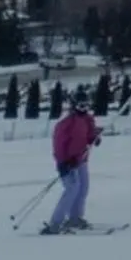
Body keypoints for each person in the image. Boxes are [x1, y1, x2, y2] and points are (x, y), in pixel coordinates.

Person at [43, 95, 102, 234]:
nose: (84, 108)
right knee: (72, 188)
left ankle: (75, 218)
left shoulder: (88, 119)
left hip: (81, 160)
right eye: (81, 105)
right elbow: (58, 144)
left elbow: (89, 136)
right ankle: (55, 223)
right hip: (68, 162)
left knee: (83, 188)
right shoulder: (66, 123)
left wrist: (95, 138)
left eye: (86, 105)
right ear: (74, 106)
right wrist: (63, 161)